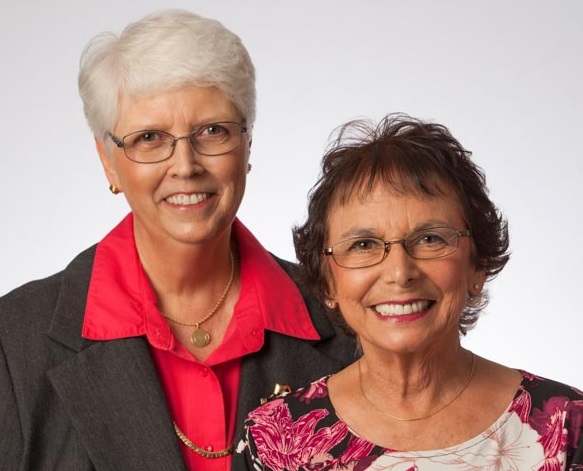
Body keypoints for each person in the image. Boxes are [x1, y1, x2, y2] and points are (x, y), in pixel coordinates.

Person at [0, 10, 357, 471]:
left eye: (213, 131)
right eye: (149, 138)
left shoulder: (345, 321)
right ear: (108, 161)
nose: (185, 165)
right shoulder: (13, 341)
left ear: (247, 145)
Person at [238, 113, 583, 470]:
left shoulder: (568, 426)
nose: (400, 273)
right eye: (363, 244)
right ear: (328, 282)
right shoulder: (273, 438)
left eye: (430, 239)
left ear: (477, 266)